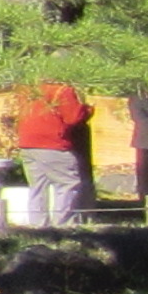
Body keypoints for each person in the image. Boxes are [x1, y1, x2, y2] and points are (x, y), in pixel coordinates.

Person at [16, 79, 93, 225]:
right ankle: (63, 225)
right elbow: (73, 118)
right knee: (68, 183)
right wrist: (88, 110)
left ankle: (38, 226)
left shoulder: (28, 88)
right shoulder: (62, 90)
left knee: (37, 187)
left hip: (27, 144)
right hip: (53, 144)